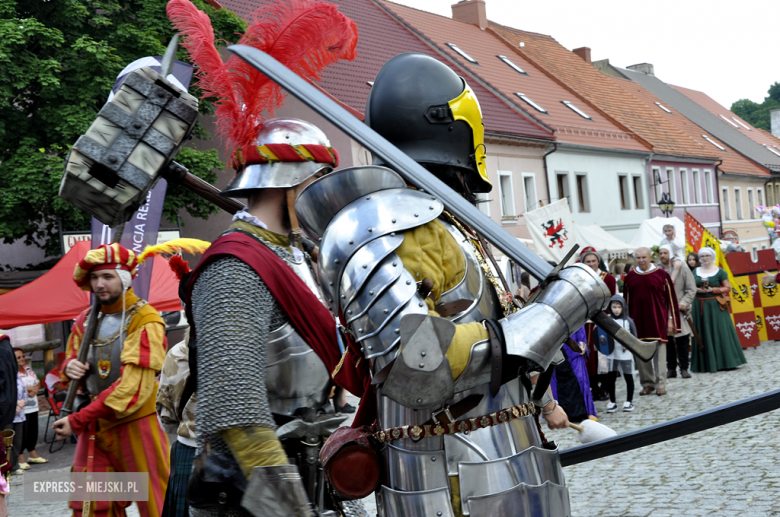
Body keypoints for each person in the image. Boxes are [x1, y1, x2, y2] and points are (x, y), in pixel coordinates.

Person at [297, 52, 613, 516]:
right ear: (450, 125)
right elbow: (417, 366)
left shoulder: (447, 223)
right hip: (450, 478)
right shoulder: (386, 228)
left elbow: (489, 325)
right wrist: (559, 307)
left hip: (513, 455)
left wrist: (543, 400)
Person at [52, 242, 170, 517]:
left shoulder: (145, 319)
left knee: (155, 502)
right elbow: (69, 362)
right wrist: (71, 368)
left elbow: (131, 389)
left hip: (136, 423)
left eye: (107, 276)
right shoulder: (83, 320)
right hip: (96, 425)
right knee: (92, 506)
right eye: (94, 277)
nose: (99, 284)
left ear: (125, 279)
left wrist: (77, 420)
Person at [623, 247, 680, 396]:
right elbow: (626, 302)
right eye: (638, 257)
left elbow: (670, 300)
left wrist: (670, 320)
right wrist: (627, 323)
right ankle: (647, 383)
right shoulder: (630, 277)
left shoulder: (661, 275)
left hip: (658, 319)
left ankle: (661, 384)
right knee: (641, 353)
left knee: (660, 354)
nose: (641, 260)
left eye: (644, 257)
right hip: (637, 321)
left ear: (650, 257)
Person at [690, 247, 748, 373]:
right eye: (702, 256)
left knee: (720, 332)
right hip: (699, 305)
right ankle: (704, 364)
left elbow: (727, 287)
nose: (705, 258)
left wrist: (713, 290)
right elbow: (690, 286)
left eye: (707, 256)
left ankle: (726, 361)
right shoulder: (695, 271)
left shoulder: (719, 271)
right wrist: (696, 289)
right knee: (702, 333)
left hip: (715, 306)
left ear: (712, 257)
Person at [659, 245, 697, 379]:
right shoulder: (658, 270)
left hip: (680, 310)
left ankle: (684, 368)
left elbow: (691, 289)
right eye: (661, 253)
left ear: (671, 254)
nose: (662, 255)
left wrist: (685, 302)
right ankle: (671, 369)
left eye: (665, 253)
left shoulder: (683, 268)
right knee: (667, 341)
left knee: (682, 340)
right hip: (664, 310)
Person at [550, 327, 597, 422]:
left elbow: (578, 321)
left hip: (573, 346)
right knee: (555, 382)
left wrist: (582, 342)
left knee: (580, 378)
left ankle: (588, 411)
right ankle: (556, 413)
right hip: (555, 347)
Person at [603, 295, 637, 412]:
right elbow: (602, 337)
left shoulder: (628, 321)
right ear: (610, 307)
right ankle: (612, 402)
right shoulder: (608, 321)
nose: (616, 309)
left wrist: (627, 344)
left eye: (619, 307)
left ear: (623, 307)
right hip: (612, 353)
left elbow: (634, 338)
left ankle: (629, 401)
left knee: (628, 377)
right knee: (611, 378)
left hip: (625, 353)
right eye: (614, 307)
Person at [15, 349, 47, 468]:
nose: (22, 359)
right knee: (22, 432)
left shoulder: (28, 369)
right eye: (18, 357)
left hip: (33, 406)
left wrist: (36, 389)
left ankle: (32, 454)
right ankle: (20, 457)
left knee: (33, 431)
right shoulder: (13, 372)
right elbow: (17, 386)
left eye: (22, 356)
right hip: (22, 408)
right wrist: (31, 389)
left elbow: (37, 382)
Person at [3, 363, 26, 476]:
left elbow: (25, 393)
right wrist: (14, 405)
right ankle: (6, 466)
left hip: (20, 416)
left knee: (17, 442)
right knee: (7, 443)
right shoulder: (3, 378)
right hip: (7, 416)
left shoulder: (18, 377)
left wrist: (21, 405)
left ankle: (15, 465)